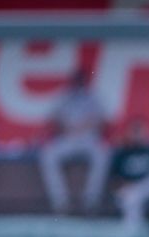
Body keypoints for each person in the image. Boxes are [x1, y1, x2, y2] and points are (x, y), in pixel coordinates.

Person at [38, 70, 110, 215]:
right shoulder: (63, 98)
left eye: (80, 81)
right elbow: (53, 118)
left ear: (84, 82)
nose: (77, 84)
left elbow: (102, 119)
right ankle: (60, 202)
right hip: (67, 139)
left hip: (89, 139)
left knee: (103, 153)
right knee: (48, 154)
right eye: (75, 81)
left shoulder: (93, 97)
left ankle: (91, 201)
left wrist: (84, 126)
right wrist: (66, 126)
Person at [108, 119, 149, 227]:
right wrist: (125, 184)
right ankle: (133, 231)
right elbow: (114, 178)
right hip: (130, 188)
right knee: (132, 198)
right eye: (134, 131)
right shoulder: (122, 153)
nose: (137, 135)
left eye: (140, 131)